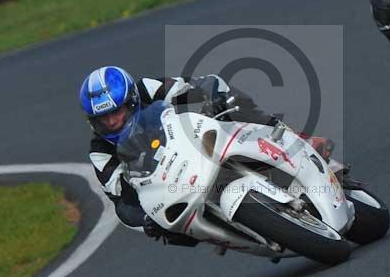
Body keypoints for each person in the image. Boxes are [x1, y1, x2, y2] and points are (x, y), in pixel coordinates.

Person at [79, 66, 339, 245]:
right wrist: (145, 222)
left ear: (132, 100)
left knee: (230, 100)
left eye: (117, 111)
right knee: (172, 230)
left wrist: (212, 97)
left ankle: (293, 138)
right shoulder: (100, 151)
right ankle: (229, 233)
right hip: (167, 181)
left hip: (190, 140)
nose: (112, 121)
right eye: (104, 118)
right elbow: (121, 202)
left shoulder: (147, 88)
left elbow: (197, 86)